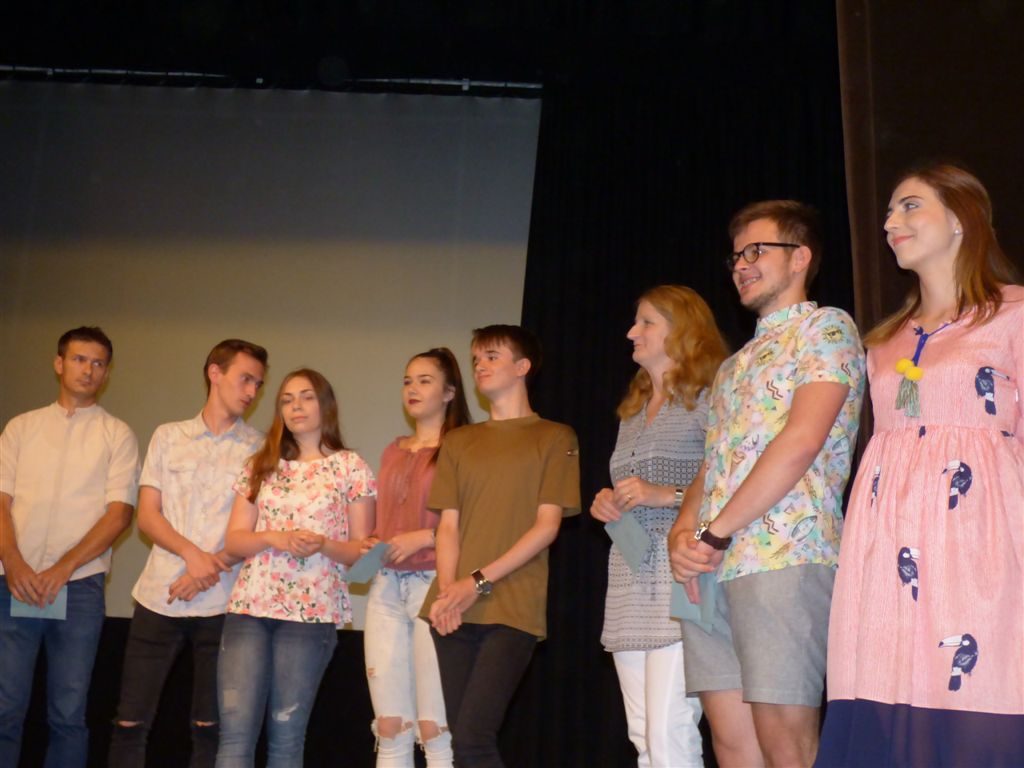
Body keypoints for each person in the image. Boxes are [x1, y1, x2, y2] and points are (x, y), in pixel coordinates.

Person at [817, 164, 1024, 766]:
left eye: (909, 205)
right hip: (885, 548)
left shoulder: (1013, 314)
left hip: (978, 541)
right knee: (885, 704)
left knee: (978, 703)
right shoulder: (883, 342)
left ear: (961, 218)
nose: (890, 222)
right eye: (887, 210)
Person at [668, 201, 865, 768]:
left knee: (786, 743)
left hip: (783, 553)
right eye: (736, 256)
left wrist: (714, 533)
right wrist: (684, 532)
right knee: (732, 743)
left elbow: (801, 440)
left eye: (756, 251)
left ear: (800, 257)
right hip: (712, 566)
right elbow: (711, 466)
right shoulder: (732, 366)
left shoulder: (826, 327)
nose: (741, 264)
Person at [423, 325, 580, 768]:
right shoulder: (459, 441)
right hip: (454, 607)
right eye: (476, 359)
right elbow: (448, 527)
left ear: (522, 366)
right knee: (463, 744)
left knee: (474, 736)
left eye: (492, 356)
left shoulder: (555, 436)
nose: (480, 366)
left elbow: (546, 527)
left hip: (511, 605)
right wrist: (449, 591)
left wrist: (475, 582)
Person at [108, 339, 268, 768]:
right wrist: (191, 555)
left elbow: (253, 529)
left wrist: (202, 570)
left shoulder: (260, 449)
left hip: (223, 602)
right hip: (158, 596)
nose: (252, 391)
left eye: (258, 384)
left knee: (209, 728)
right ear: (215, 373)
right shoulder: (168, 435)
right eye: (245, 379)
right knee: (130, 722)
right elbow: (148, 515)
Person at [590, 286, 728, 768]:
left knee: (669, 730)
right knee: (643, 736)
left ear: (682, 329)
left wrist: (663, 494)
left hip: (682, 577)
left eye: (647, 322)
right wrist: (608, 503)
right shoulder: (632, 411)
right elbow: (631, 490)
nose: (632, 332)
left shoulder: (710, 399)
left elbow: (729, 481)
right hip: (630, 582)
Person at [216, 368, 376, 767]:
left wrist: (323, 544)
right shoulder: (260, 464)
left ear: (325, 405)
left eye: (306, 397)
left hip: (312, 614)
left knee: (286, 737)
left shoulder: (350, 466)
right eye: (287, 400)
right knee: (234, 736)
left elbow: (363, 554)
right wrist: (275, 538)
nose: (296, 406)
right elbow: (234, 541)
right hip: (250, 607)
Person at [0, 326, 139, 768]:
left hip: (78, 587)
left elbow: (119, 514)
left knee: (68, 714)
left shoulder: (117, 434)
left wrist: (62, 569)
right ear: (59, 364)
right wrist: (13, 562)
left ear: (107, 373)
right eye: (79, 359)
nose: (89, 370)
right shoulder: (21, 427)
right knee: (4, 709)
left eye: (99, 363)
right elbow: (1, 502)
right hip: (14, 584)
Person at [363, 348, 471, 767]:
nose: (413, 388)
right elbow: (387, 518)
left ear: (449, 392)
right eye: (408, 381)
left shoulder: (463, 449)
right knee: (390, 725)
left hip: (434, 584)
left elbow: (477, 522)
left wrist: (424, 537)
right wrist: (370, 543)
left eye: (425, 381)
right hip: (386, 585)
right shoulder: (394, 450)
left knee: (433, 728)